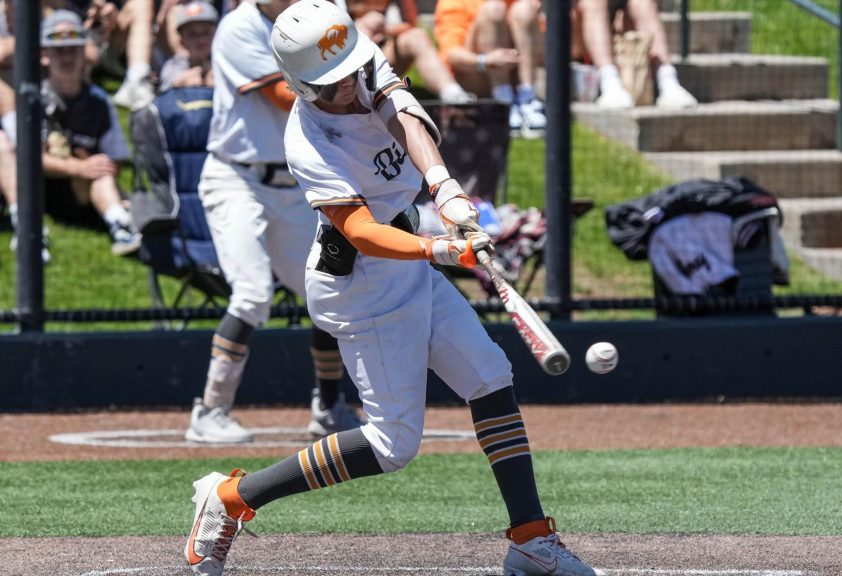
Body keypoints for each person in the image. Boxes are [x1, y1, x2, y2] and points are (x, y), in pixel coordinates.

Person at [184, 3, 605, 576]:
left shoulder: (355, 57)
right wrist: (443, 249)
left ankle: (530, 538)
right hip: (361, 286)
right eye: (334, 84)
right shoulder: (309, 141)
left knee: (489, 376)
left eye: (354, 71)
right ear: (304, 86)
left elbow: (406, 118)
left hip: (409, 264)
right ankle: (231, 498)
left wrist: (448, 192)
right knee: (391, 445)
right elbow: (360, 231)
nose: (352, 86)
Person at [185, 0, 362, 445]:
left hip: (292, 185)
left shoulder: (321, 14)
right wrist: (356, 100)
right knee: (252, 295)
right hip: (237, 177)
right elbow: (283, 95)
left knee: (327, 291)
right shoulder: (239, 26)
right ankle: (209, 411)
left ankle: (328, 406)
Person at [4, 10, 140, 258]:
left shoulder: (99, 101)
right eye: (59, 50)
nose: (66, 57)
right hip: (42, 187)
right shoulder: (33, 99)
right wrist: (78, 168)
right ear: (44, 56)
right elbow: (29, 158)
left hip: (86, 190)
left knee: (101, 170)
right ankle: (30, 228)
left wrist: (90, 168)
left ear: (83, 54)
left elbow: (115, 159)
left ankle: (120, 223)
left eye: (73, 49)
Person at [434, 0, 546, 135]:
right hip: (476, 73)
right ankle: (503, 103)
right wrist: (486, 60)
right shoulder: (454, 3)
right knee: (493, 10)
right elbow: (451, 55)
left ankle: (527, 98)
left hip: (517, 71)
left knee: (525, 9)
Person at [339, 0, 475, 104]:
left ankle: (454, 96)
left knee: (416, 36)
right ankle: (353, 96)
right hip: (341, 59)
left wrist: (385, 29)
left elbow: (410, 23)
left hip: (382, 55)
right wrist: (358, 29)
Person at [576, 0, 697, 108]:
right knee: (593, 3)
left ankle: (667, 81)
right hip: (572, 39)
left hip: (610, 30)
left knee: (642, 2)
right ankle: (610, 84)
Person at [158, 0, 216, 91]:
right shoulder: (174, 65)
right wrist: (179, 83)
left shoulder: (222, 62)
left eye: (206, 32)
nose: (200, 39)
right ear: (182, 41)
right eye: (192, 34)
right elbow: (163, 94)